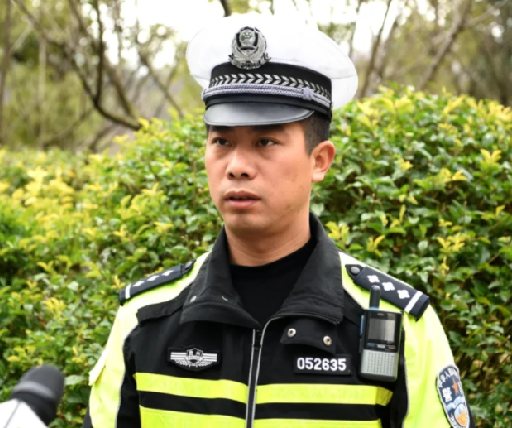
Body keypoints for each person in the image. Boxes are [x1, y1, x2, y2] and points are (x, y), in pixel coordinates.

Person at [83, 12, 475, 428]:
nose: (237, 165)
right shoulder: (145, 320)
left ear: (319, 160)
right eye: (221, 140)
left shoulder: (398, 327)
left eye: (265, 141)